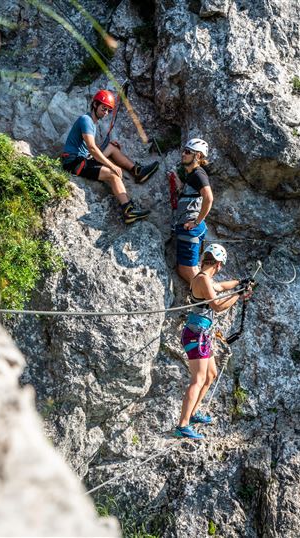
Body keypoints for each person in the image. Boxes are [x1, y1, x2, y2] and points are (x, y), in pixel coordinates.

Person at [173, 244, 253, 440]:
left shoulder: (203, 278)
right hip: (195, 334)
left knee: (210, 375)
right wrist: (238, 294)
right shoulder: (202, 280)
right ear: (218, 264)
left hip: (201, 334)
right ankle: (182, 425)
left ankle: (193, 414)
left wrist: (240, 282)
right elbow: (217, 305)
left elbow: (221, 286)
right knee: (198, 379)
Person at [62, 89, 159, 224]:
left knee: (112, 147)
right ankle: (128, 210)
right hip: (74, 162)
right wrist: (112, 165)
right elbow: (91, 147)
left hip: (82, 158)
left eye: (108, 110)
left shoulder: (91, 122)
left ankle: (138, 171)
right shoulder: (86, 120)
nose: (106, 113)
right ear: (95, 104)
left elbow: (90, 150)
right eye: (104, 108)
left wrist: (107, 147)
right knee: (113, 174)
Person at [175, 138, 214, 283]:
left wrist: (196, 222)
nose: (183, 154)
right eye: (183, 151)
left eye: (187, 152)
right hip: (188, 227)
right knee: (185, 269)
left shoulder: (198, 174)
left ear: (197, 156)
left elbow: (208, 198)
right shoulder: (192, 175)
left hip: (190, 228)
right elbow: (190, 195)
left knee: (187, 269)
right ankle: (207, 295)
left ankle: (210, 300)